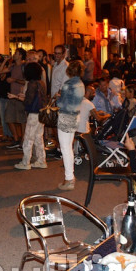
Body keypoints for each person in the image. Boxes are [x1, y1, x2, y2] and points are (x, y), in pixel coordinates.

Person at [11, 62, 47, 170]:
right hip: (41, 114)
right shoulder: (42, 83)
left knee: (28, 138)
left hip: (33, 114)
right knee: (38, 138)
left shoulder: (32, 83)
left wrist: (18, 97)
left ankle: (25, 162)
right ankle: (41, 161)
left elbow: (28, 101)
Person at [56, 60, 85, 191]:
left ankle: (69, 179)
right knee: (69, 147)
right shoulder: (81, 84)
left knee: (65, 148)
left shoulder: (68, 84)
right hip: (76, 116)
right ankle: (70, 176)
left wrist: (58, 98)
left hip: (66, 116)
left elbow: (61, 104)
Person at [4, 48, 27, 149]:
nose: (14, 55)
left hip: (20, 96)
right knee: (9, 118)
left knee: (21, 120)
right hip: (11, 95)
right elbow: (1, 71)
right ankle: (16, 139)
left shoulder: (24, 66)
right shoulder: (12, 66)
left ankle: (23, 141)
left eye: (16, 53)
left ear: (21, 55)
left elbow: (26, 81)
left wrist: (14, 80)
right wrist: (5, 60)